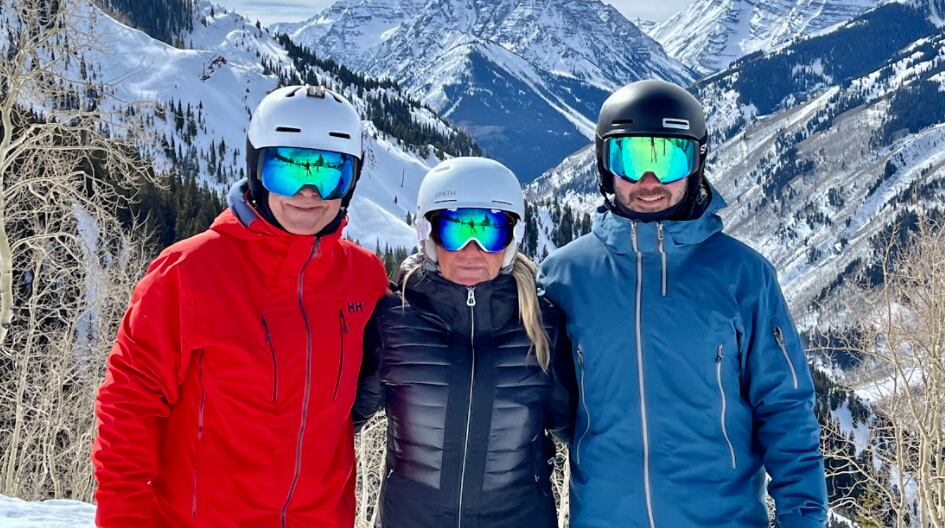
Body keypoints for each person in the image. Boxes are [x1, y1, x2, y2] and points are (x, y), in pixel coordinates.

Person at [93, 85, 390, 527]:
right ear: (256, 169)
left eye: (330, 172)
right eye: (287, 169)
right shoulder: (189, 272)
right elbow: (128, 409)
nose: (309, 192)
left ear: (350, 182)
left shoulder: (364, 278)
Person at [538, 80, 828, 528]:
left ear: (696, 165)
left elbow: (786, 411)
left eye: (670, 159)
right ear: (604, 166)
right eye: (631, 160)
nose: (649, 182)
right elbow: (542, 403)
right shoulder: (565, 276)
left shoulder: (743, 276)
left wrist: (804, 519)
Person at [354, 156, 575, 528]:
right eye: (456, 229)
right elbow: (334, 423)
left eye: (489, 232)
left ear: (511, 240)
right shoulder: (394, 320)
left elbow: (581, 430)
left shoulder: (542, 323)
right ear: (429, 235)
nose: (472, 250)